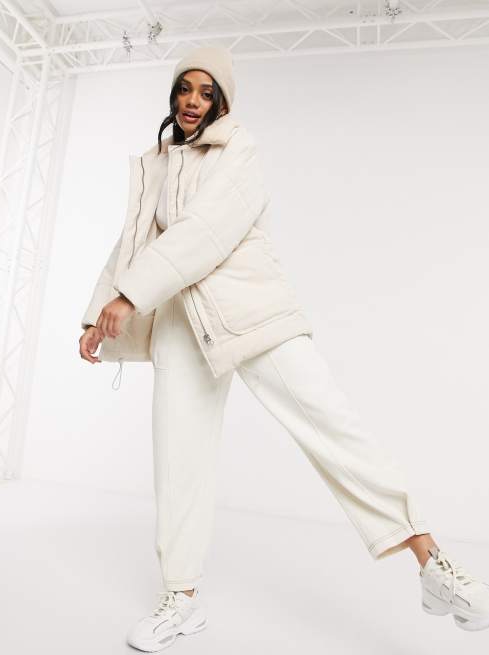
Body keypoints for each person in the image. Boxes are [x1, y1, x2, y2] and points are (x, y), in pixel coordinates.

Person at [79, 46, 489, 651]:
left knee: (332, 425)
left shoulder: (239, 149)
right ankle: (181, 598)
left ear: (223, 101)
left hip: (252, 311)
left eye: (207, 92)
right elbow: (131, 242)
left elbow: (206, 232)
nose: (193, 101)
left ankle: (432, 563)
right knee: (178, 460)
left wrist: (130, 296)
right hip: (180, 325)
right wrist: (99, 312)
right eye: (185, 89)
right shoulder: (155, 163)